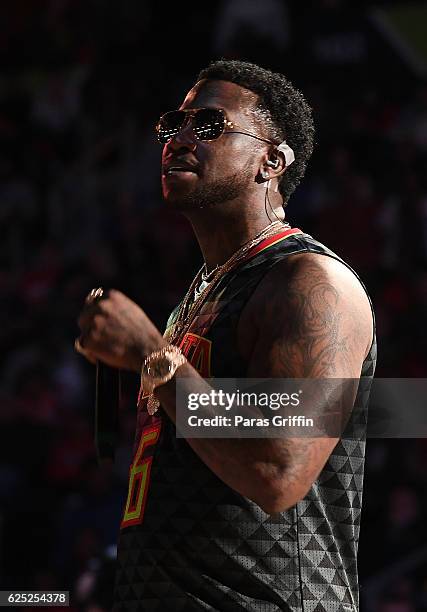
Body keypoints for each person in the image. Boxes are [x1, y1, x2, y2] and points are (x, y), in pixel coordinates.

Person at [76, 60, 376, 611]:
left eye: (210, 125)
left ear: (272, 160)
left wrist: (150, 355)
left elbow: (278, 469)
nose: (180, 138)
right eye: (173, 123)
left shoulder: (310, 281)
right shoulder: (201, 296)